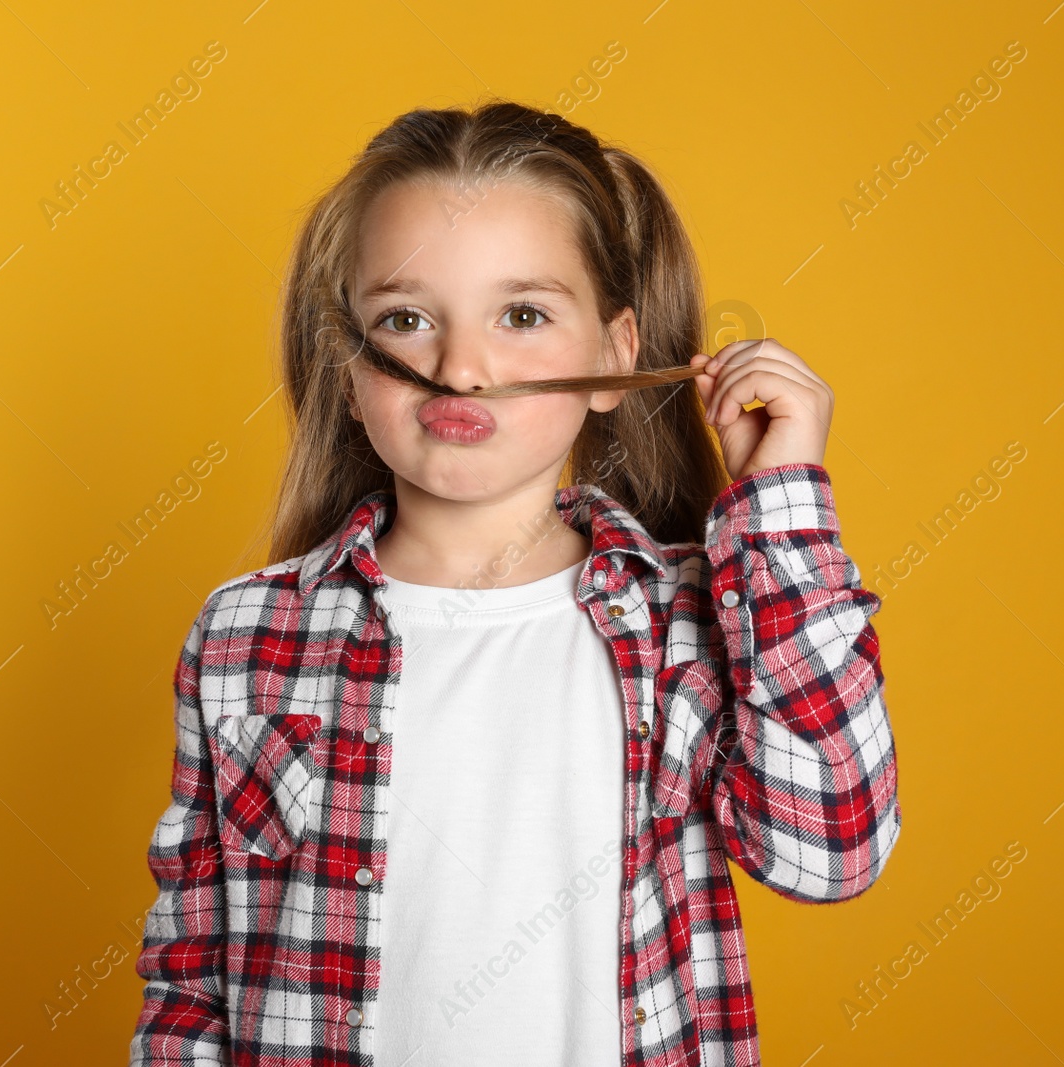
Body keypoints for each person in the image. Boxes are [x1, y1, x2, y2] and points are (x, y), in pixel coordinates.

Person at [128, 98, 901, 1067]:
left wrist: (780, 507)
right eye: (405, 319)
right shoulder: (244, 631)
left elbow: (831, 852)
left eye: (522, 314)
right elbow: (192, 970)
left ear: (616, 359)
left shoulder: (691, 619)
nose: (459, 367)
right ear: (349, 365)